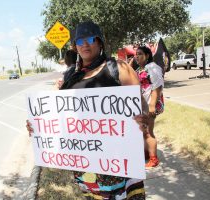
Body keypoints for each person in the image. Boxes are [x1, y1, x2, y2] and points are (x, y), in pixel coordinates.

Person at [27, 21, 148, 200]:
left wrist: (144, 117)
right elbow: (58, 115)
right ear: (75, 46)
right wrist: (37, 126)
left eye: (90, 38)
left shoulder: (119, 68)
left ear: (99, 42)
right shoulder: (70, 77)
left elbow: (142, 104)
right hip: (86, 165)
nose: (84, 44)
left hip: (118, 163)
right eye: (79, 40)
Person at [135, 46, 164, 168]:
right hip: (143, 105)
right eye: (136, 54)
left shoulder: (153, 67)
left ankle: (154, 159)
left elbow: (158, 87)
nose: (137, 56)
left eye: (140, 54)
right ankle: (147, 153)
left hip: (150, 105)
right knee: (143, 131)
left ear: (147, 55)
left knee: (148, 132)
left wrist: (152, 106)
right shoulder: (141, 68)